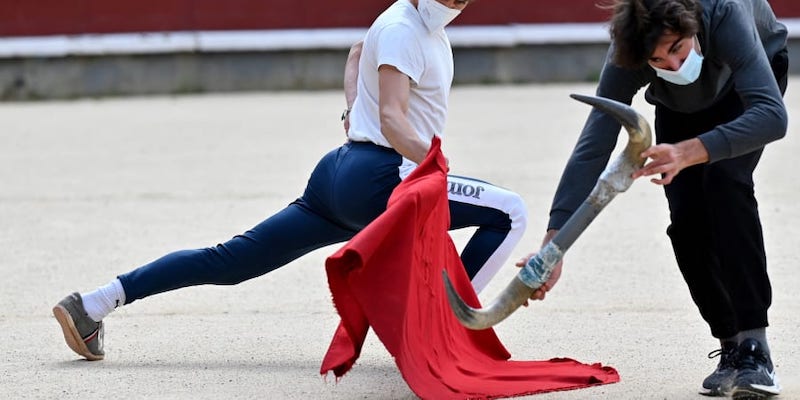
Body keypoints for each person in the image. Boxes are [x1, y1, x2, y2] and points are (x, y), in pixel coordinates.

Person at [53, 0, 527, 363]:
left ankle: (95, 304)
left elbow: (358, 53)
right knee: (509, 211)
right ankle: (447, 328)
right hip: (381, 177)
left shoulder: (407, 22)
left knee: (232, 260)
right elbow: (392, 118)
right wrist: (436, 164)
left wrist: (350, 112)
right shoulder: (408, 28)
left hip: (340, 172)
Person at [528, 0, 787, 399]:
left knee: (724, 183)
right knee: (686, 221)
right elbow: (594, 144)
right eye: (658, 60)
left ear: (693, 28)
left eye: (678, 49)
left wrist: (689, 151)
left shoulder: (724, 12)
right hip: (679, 105)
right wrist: (554, 245)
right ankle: (731, 345)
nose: (673, 64)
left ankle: (755, 348)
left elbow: (772, 115)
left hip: (747, 81)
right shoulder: (627, 49)